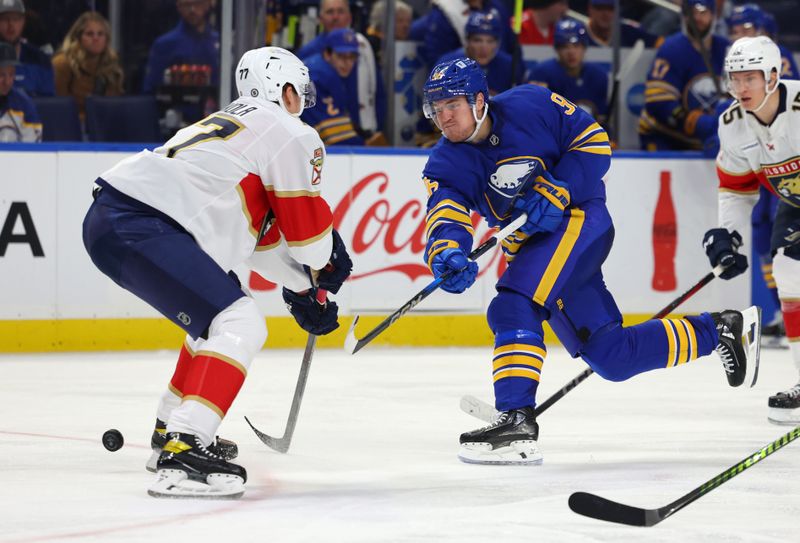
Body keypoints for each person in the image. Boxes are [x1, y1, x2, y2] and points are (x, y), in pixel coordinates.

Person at [419, 56, 760, 464]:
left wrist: (560, 187)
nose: (443, 119)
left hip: (580, 221)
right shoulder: (444, 161)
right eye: (436, 110)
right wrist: (448, 252)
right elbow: (447, 213)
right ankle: (720, 330)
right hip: (532, 248)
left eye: (451, 106)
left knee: (512, 305)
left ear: (479, 101)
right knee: (612, 356)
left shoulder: (531, 104)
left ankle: (516, 420)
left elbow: (595, 143)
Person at [82, 47, 353, 498]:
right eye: (299, 92)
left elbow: (262, 248)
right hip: (145, 223)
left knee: (215, 315)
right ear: (284, 90)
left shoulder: (239, 132)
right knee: (239, 322)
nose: (301, 102)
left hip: (114, 219)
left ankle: (170, 429)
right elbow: (309, 241)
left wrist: (306, 288)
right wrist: (328, 261)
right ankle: (184, 447)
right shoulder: (289, 132)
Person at [709, 36, 800, 425]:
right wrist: (728, 234)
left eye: (750, 78)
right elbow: (735, 187)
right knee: (787, 272)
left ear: (774, 76)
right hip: (795, 204)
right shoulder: (731, 125)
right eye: (735, 79)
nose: (741, 88)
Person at [638, 0, 728, 152]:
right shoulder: (671, 49)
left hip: (709, 140)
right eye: (692, 12)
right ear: (684, 16)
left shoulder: (726, 49)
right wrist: (692, 121)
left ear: (713, 16)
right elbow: (658, 103)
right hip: (666, 136)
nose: (697, 18)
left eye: (703, 12)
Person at [296, 0, 385, 141]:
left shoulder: (362, 46)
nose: (336, 17)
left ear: (350, 17)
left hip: (352, 129)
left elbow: (377, 92)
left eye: (340, 11)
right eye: (330, 12)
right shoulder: (315, 70)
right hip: (323, 139)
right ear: (327, 54)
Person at [528, 19, 608, 125]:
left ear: (584, 47)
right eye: (565, 47)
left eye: (576, 46)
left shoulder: (598, 76)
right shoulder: (541, 74)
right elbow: (535, 119)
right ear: (557, 49)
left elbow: (601, 119)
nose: (571, 52)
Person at [51, 11, 124, 119]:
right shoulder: (62, 64)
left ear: (106, 38)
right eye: (90, 34)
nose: (96, 38)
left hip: (105, 127)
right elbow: (58, 108)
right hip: (73, 126)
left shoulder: (111, 65)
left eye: (100, 34)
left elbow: (114, 107)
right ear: (78, 37)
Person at [437, 11, 523, 96]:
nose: (484, 47)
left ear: (498, 43)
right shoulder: (446, 66)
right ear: (467, 41)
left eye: (490, 41)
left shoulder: (511, 66)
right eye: (477, 40)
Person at [302, 28, 365, 146]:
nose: (348, 63)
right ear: (327, 54)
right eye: (342, 56)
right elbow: (335, 138)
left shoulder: (321, 69)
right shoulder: (317, 76)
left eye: (352, 56)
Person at [141, 0, 219, 94]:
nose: (192, 10)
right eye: (186, 5)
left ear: (207, 4)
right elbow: (151, 89)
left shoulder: (221, 42)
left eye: (197, 3)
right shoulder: (165, 44)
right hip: (177, 106)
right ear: (178, 7)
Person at [0, 0, 53, 96]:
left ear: (23, 21)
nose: (10, 24)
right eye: (4, 19)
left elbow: (48, 103)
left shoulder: (39, 59)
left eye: (16, 19)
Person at [0, 39, 40, 141]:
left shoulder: (24, 104)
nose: (7, 82)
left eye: (11, 74)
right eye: (1, 75)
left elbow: (33, 149)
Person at [585, 0, 662, 48]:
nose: (605, 14)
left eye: (610, 9)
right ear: (590, 9)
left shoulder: (627, 29)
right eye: (600, 8)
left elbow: (660, 43)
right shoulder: (579, 32)